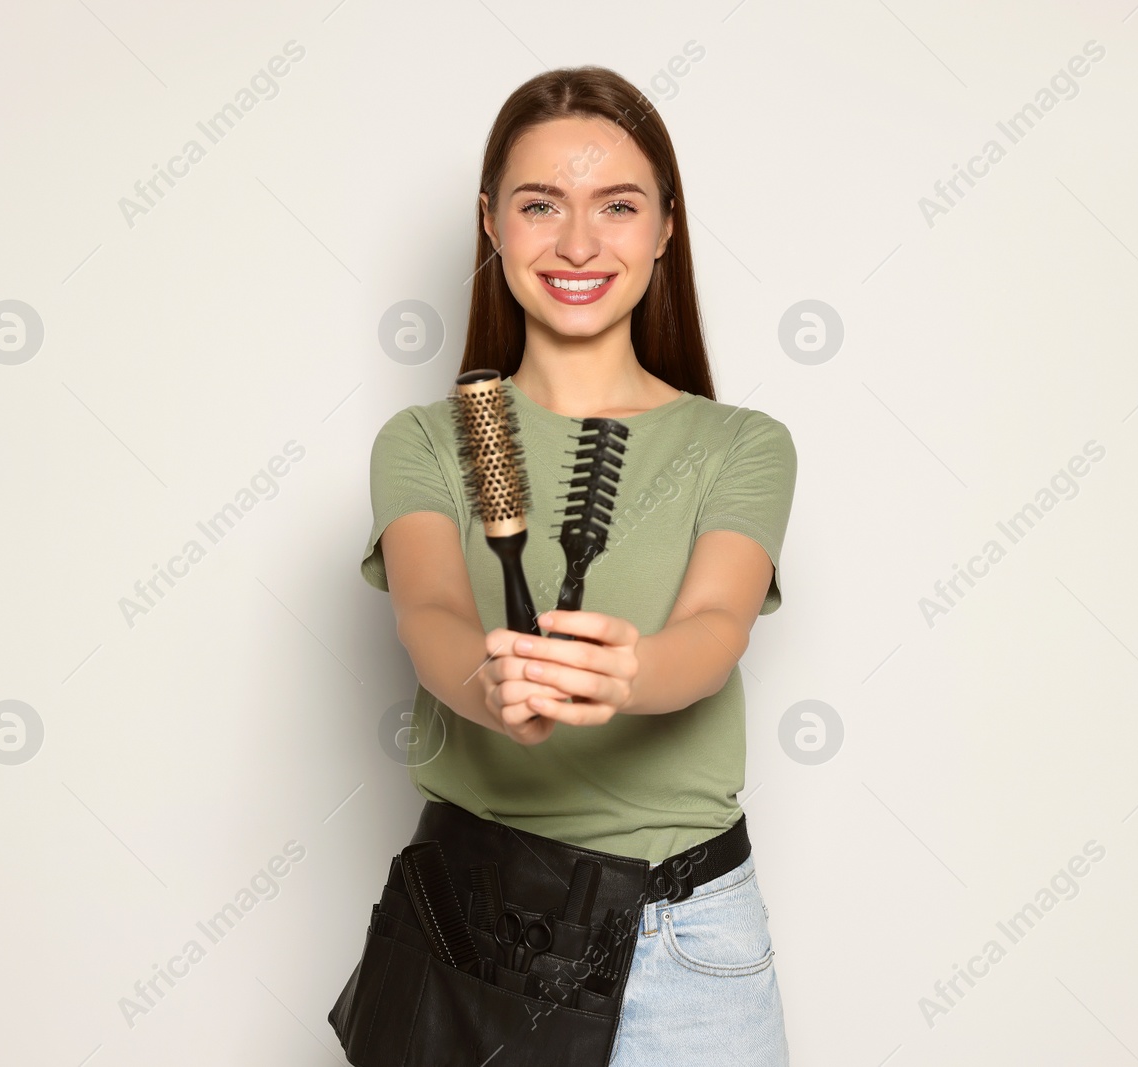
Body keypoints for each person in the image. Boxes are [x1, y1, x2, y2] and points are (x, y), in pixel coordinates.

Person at [358, 66, 796, 1066]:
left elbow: (713, 629)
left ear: (664, 227)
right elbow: (428, 609)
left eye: (618, 206)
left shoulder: (743, 444)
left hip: (685, 939)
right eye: (540, 204)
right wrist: (488, 678)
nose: (579, 243)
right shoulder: (427, 440)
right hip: (472, 926)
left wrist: (628, 671)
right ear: (491, 222)